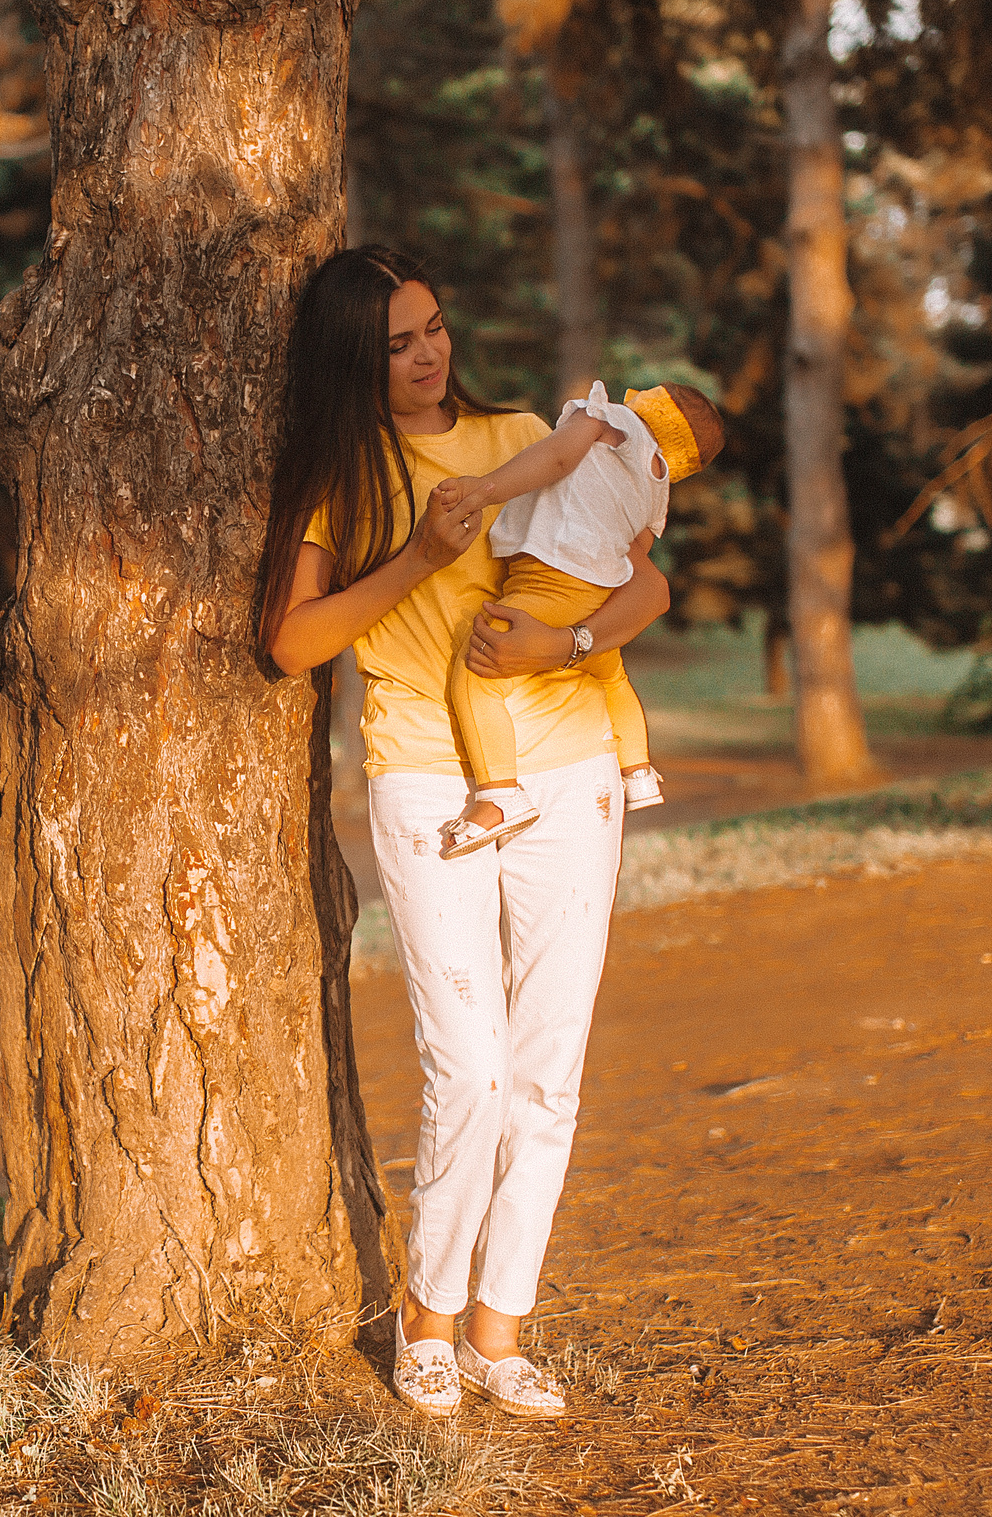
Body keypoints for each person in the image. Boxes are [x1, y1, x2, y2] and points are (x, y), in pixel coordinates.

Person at [258, 245, 672, 1421]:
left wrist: (566, 648)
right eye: (396, 342)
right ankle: (427, 1318)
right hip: (430, 783)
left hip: (570, 768)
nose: (427, 354)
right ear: (353, 358)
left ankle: (501, 1329)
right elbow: (292, 643)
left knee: (548, 1074)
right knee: (471, 1071)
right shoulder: (341, 471)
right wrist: (420, 558)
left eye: (433, 327)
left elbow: (644, 588)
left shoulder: (528, 438)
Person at [431, 377, 728, 857]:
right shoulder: (657, 489)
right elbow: (636, 553)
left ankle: (498, 797)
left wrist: (483, 491)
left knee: (477, 671)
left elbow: (556, 458)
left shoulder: (609, 419)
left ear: (652, 405)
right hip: (597, 597)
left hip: (548, 583)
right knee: (611, 676)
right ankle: (638, 771)